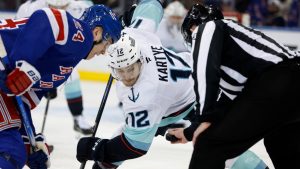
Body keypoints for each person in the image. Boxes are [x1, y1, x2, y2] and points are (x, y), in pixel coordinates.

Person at [75, 1, 269, 169]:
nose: (126, 76)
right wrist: (131, 16)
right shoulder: (138, 35)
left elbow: (135, 146)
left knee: (221, 147)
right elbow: (152, 4)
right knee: (115, 146)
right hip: (182, 88)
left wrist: (98, 149)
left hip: (196, 98)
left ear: (141, 60)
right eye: (120, 71)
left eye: (130, 69)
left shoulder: (145, 95)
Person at [168, 3, 300, 169]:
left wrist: (204, 117)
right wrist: (190, 132)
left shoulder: (207, 28)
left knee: (208, 145)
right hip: (291, 87)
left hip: (279, 80)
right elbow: (226, 103)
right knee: (280, 143)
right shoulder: (236, 56)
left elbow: (205, 72)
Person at [0, 4, 121, 169]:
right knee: (10, 151)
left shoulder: (68, 63)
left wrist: (30, 141)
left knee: (14, 151)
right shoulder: (82, 35)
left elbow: (21, 101)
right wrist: (21, 64)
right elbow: (46, 19)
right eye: (108, 43)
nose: (104, 52)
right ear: (97, 32)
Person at [16, 0, 95, 135]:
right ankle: (19, 122)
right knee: (25, 91)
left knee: (72, 75)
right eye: (53, 6)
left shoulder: (81, 8)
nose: (58, 9)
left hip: (62, 56)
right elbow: (20, 36)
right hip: (35, 56)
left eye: (63, 7)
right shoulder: (30, 8)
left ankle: (78, 116)